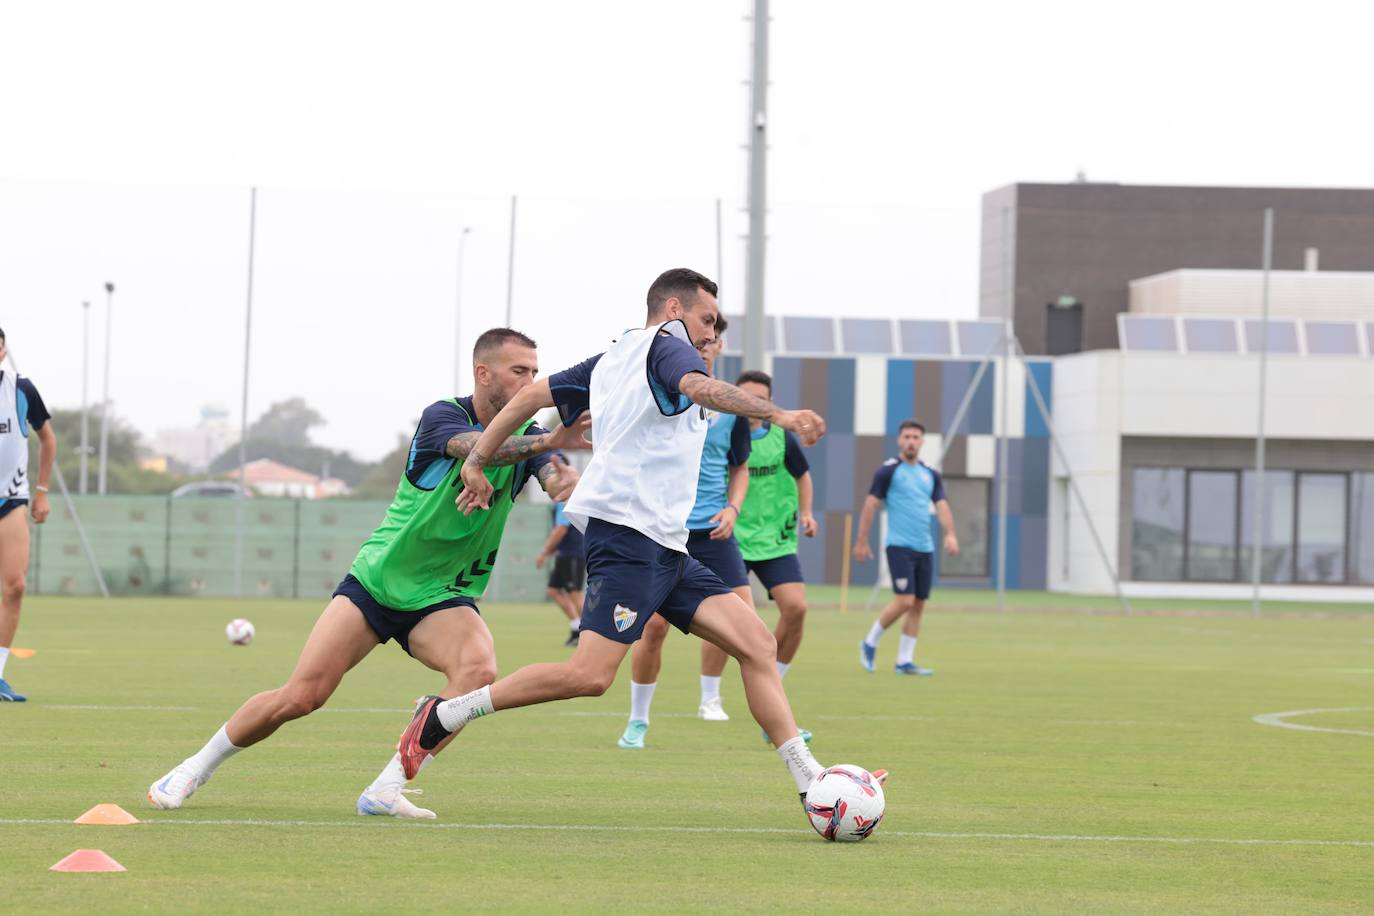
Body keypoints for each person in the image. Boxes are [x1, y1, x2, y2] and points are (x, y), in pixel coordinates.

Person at [395, 268, 875, 814]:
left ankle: (812, 781)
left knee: (757, 645)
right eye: (706, 319)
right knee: (589, 676)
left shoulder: (614, 357)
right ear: (673, 309)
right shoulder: (668, 347)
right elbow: (697, 387)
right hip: (627, 537)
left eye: (717, 326)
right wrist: (778, 413)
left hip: (666, 545)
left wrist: (480, 459)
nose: (711, 333)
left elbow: (530, 396)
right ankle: (446, 715)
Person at [148, 328, 588, 817]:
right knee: (302, 696)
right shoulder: (443, 417)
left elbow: (551, 472)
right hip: (377, 583)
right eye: (518, 371)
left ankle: (387, 788)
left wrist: (562, 477)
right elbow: (474, 447)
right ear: (483, 374)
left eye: (534, 371)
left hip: (442, 597)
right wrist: (545, 441)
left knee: (477, 671)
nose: (532, 381)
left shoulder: (531, 442)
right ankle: (193, 767)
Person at [615, 318, 755, 750]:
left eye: (714, 341)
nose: (707, 346)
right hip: (663, 530)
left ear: (721, 346)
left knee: (748, 629)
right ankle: (637, 721)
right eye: (701, 340)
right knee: (653, 629)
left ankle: (724, 704)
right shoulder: (659, 393)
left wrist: (733, 507)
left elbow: (740, 467)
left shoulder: (730, 405)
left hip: (713, 531)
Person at [728, 369, 818, 742]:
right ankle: (708, 699)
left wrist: (808, 513)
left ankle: (772, 697)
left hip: (775, 540)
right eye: (745, 396)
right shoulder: (722, 431)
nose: (752, 404)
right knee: (731, 623)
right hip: (729, 536)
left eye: (759, 398)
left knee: (796, 609)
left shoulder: (782, 436)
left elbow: (802, 476)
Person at [853, 420, 959, 675]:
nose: (911, 441)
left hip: (925, 548)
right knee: (904, 601)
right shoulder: (888, 471)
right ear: (899, 441)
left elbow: (942, 505)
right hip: (899, 546)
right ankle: (869, 642)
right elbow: (870, 505)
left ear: (922, 442)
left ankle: (904, 661)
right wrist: (862, 541)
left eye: (916, 437)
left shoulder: (930, 473)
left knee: (918, 604)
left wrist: (951, 534)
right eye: (907, 437)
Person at [0, 328, 56, 703]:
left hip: (10, 500)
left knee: (15, 586)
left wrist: (41, 492)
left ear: (3, 350)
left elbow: (47, 438)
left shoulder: (21, 388)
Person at [537, 499, 585, 648]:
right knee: (553, 590)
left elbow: (561, 529)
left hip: (573, 555)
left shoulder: (565, 502)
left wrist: (544, 552)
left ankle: (590, 635)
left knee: (575, 594)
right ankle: (576, 626)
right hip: (564, 555)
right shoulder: (559, 502)